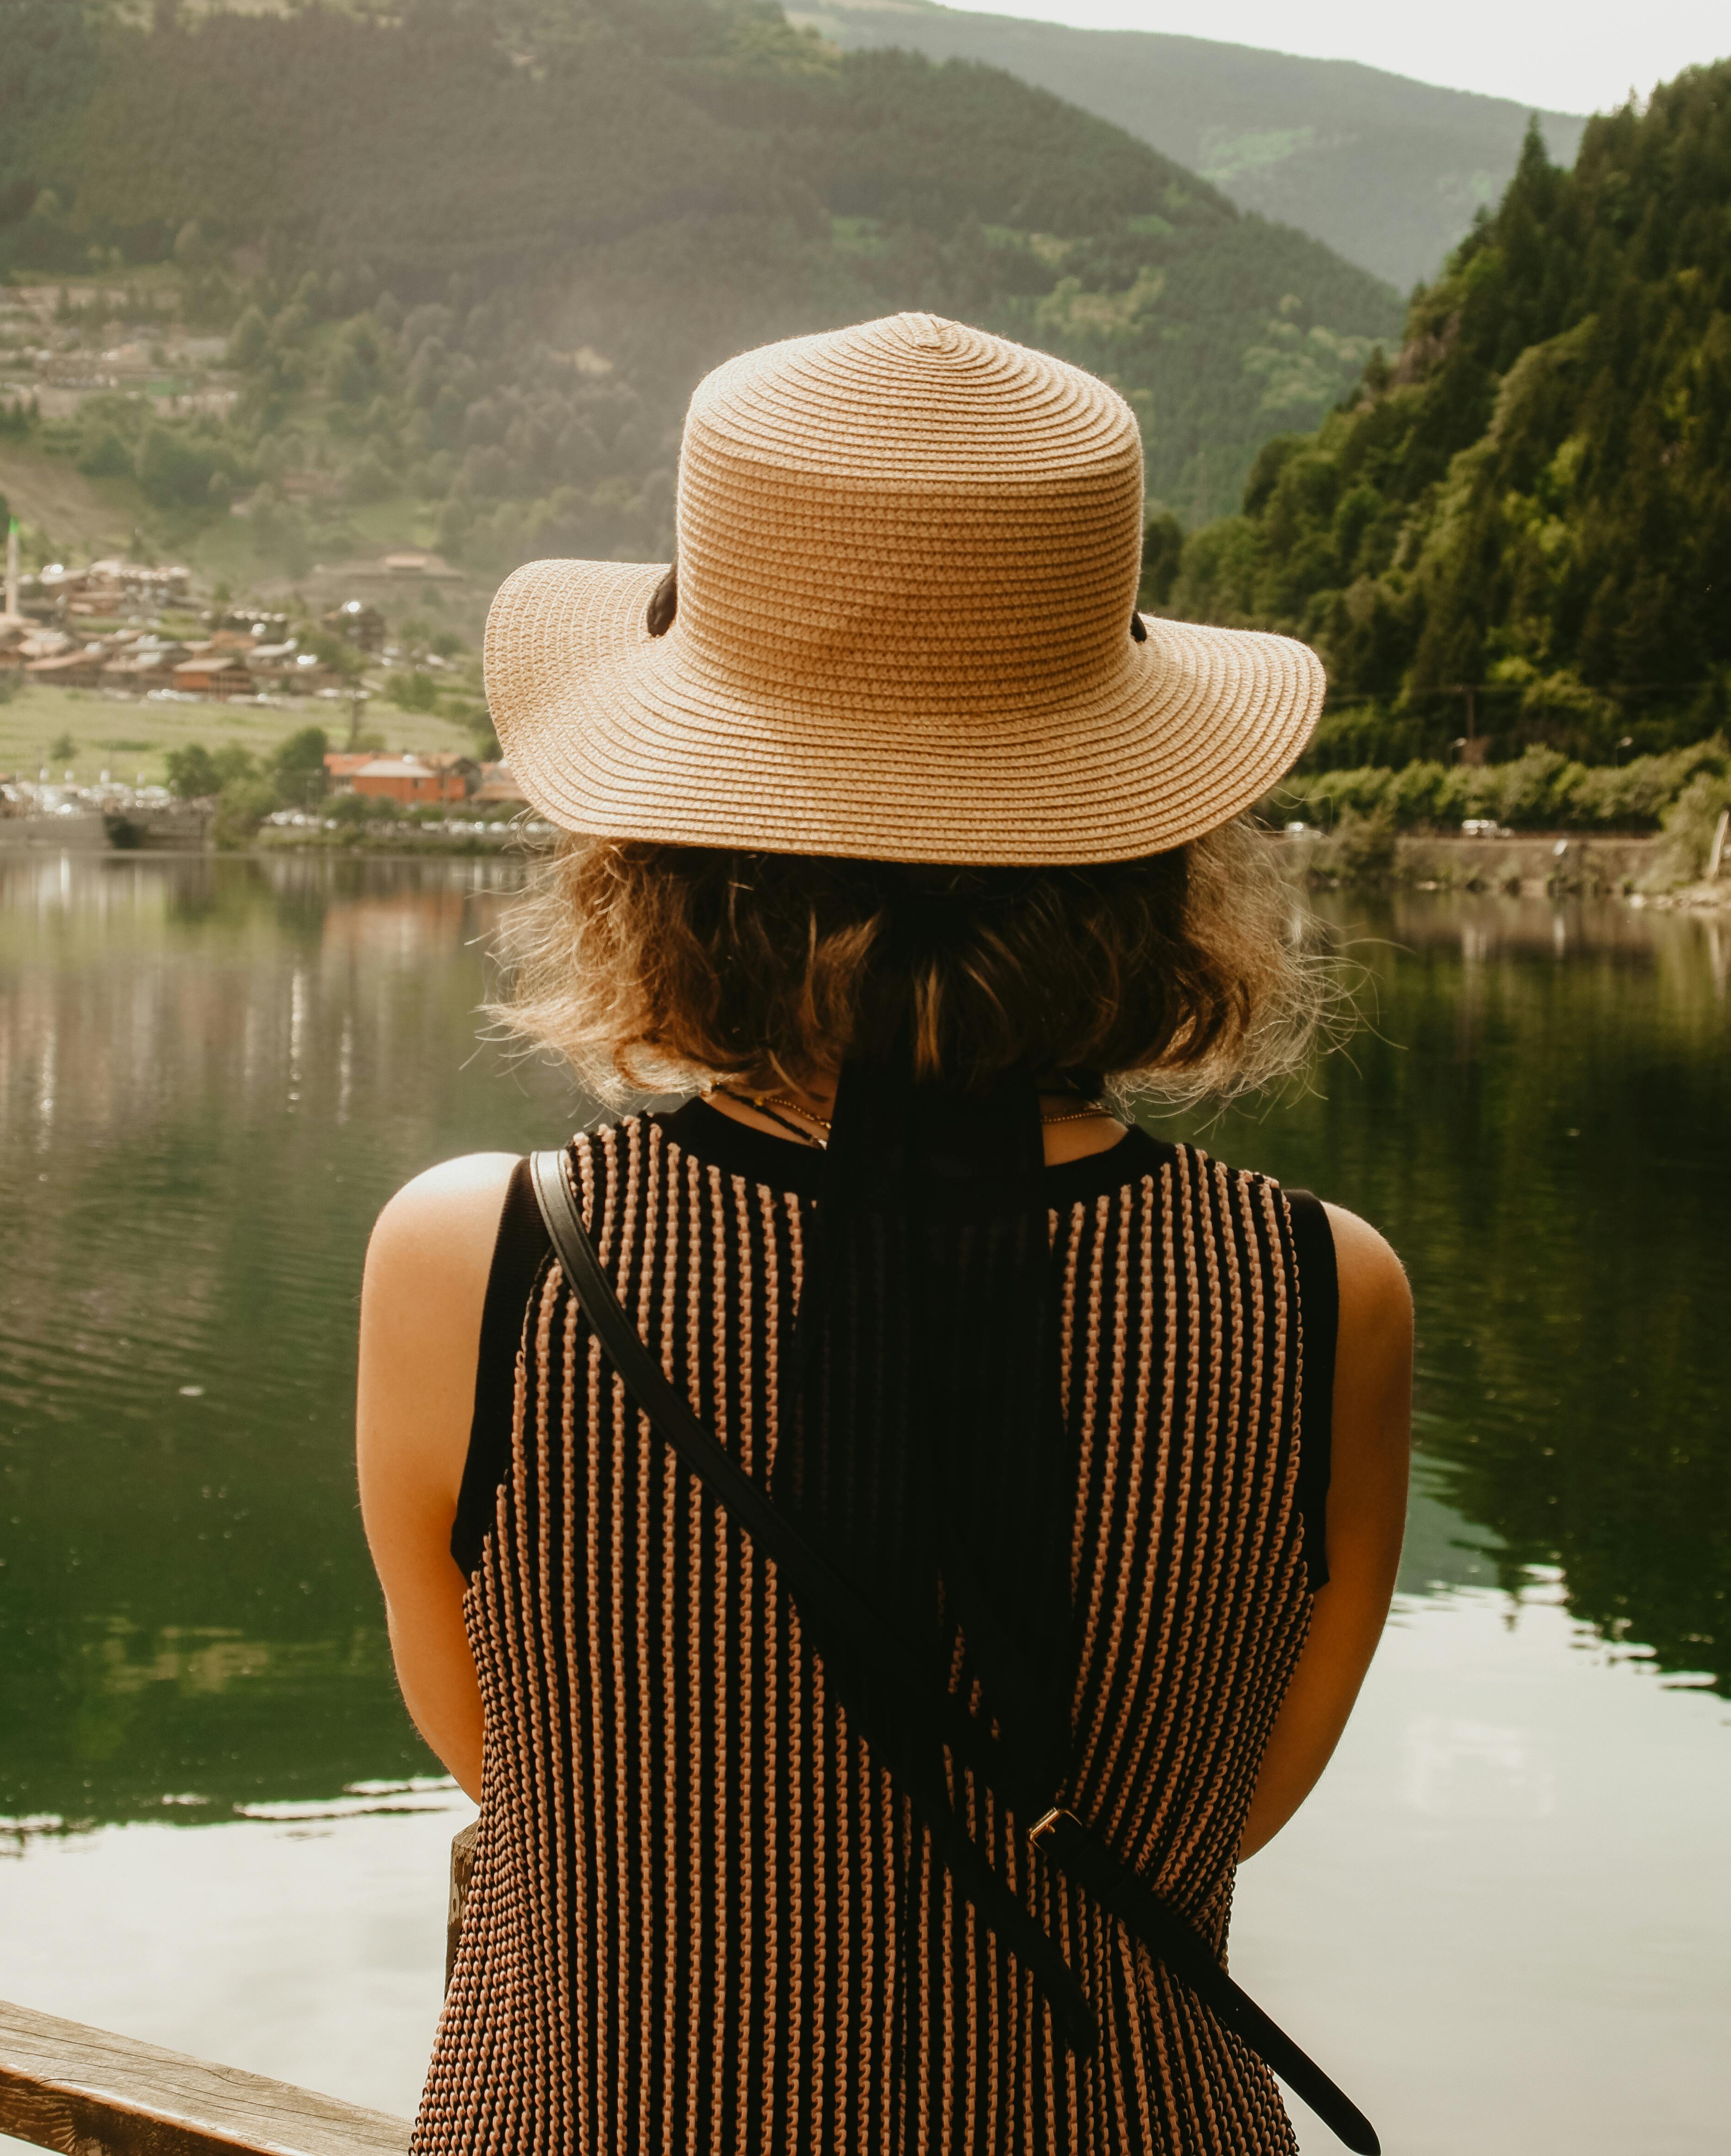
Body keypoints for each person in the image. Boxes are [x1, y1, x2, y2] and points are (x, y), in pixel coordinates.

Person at [357, 311, 1412, 2156]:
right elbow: (1223, 1812)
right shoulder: (1323, 1292)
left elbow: (498, 1759)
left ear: (661, 844)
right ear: (1142, 845)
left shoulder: (481, 1258)